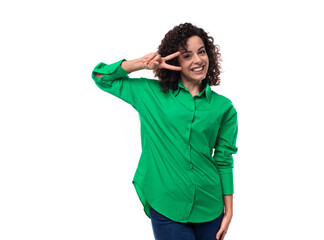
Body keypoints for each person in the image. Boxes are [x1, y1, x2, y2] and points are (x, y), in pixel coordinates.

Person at [91, 22, 238, 240]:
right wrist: (142, 63)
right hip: (167, 205)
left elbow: (224, 160)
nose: (198, 60)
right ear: (175, 60)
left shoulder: (224, 107)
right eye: (187, 55)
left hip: (211, 206)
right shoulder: (149, 94)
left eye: (201, 52)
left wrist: (229, 211)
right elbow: (101, 77)